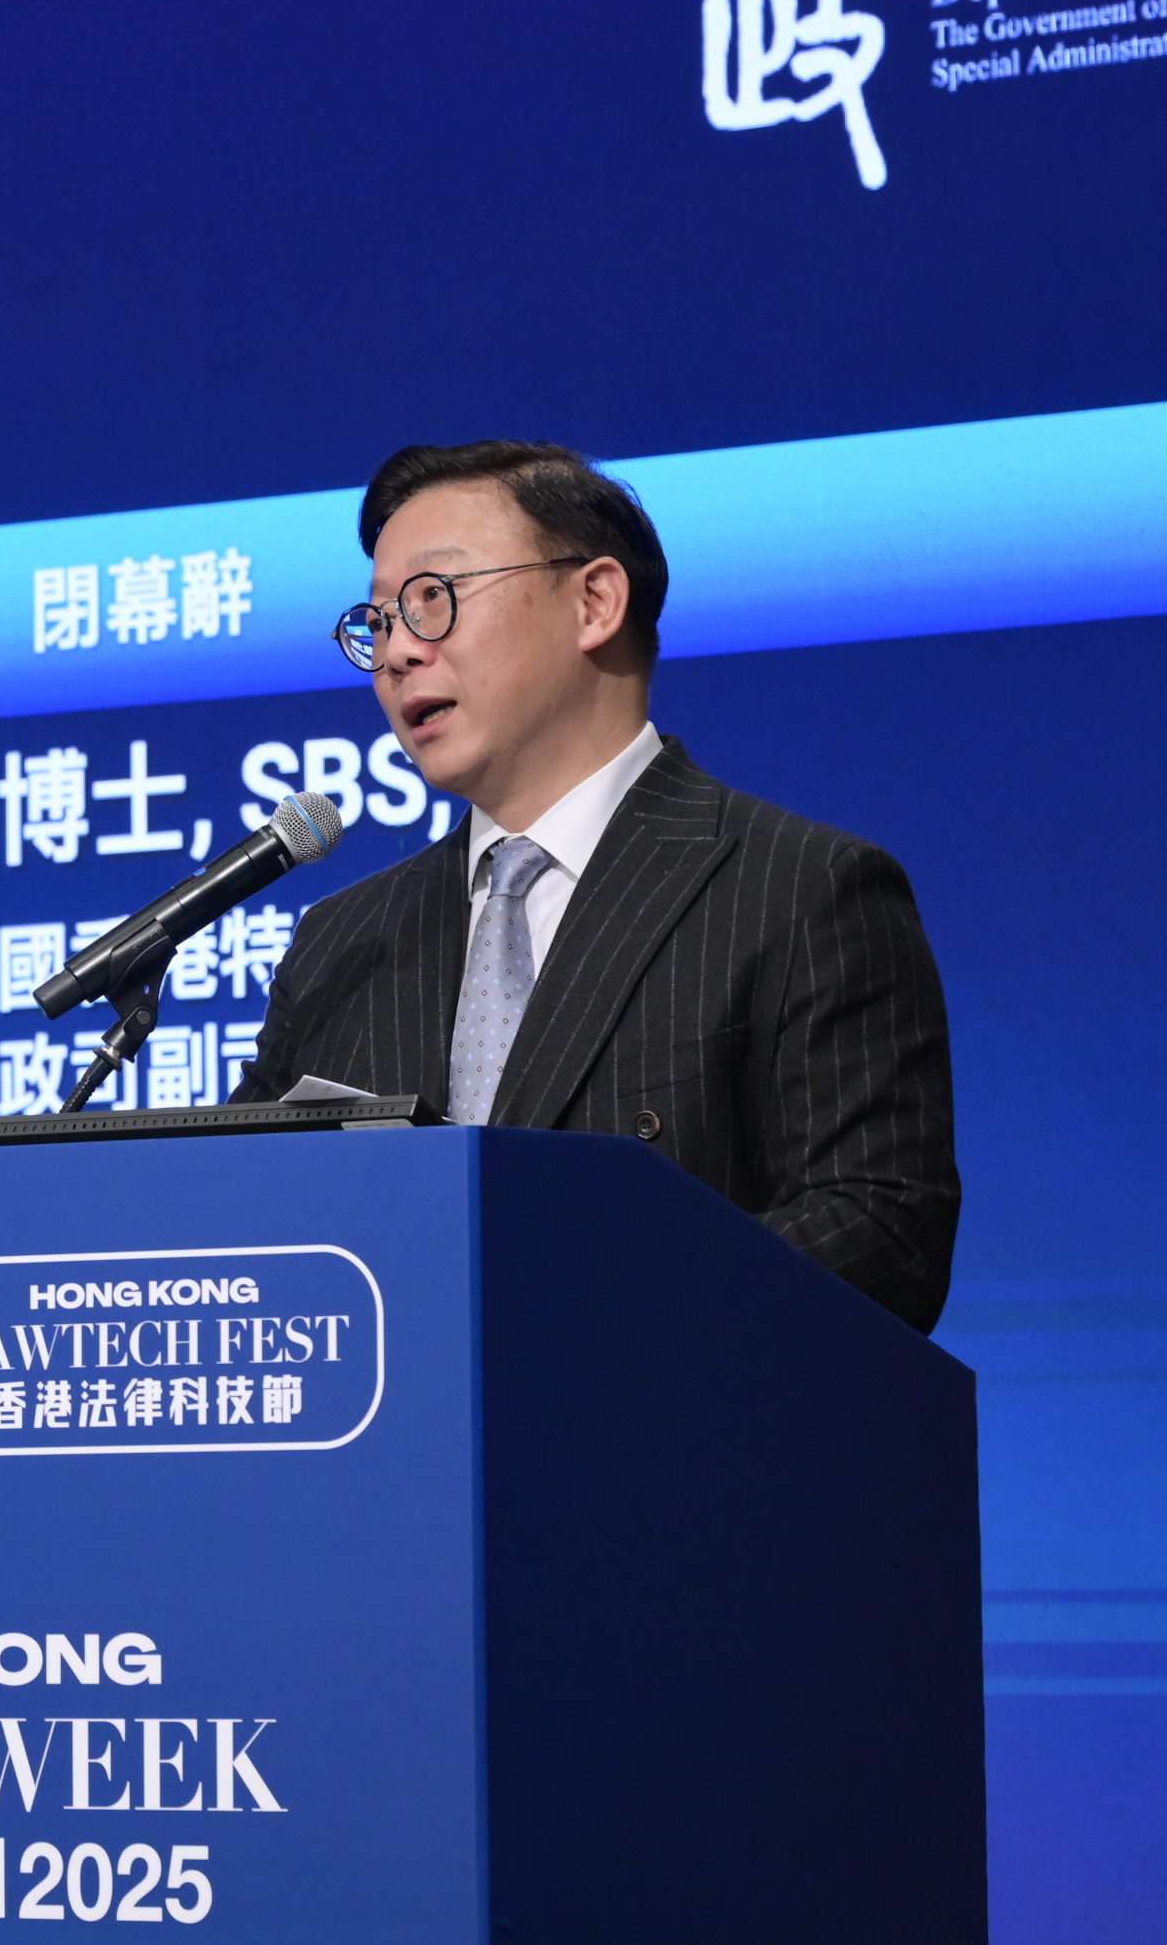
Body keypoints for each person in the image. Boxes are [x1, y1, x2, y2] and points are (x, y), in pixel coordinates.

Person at [230, 440, 959, 1330]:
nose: (396, 655)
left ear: (595, 602)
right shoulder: (345, 941)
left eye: (431, 598)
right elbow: (242, 1231)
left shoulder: (802, 888)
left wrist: (574, 1316)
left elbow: (880, 1230)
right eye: (377, 622)